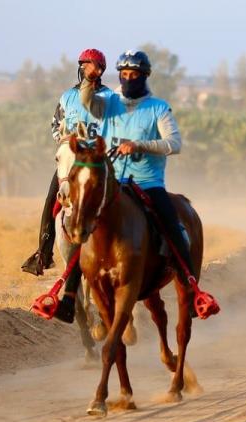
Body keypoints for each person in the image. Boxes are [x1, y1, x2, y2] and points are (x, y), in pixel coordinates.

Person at [81, 49, 201, 314]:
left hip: (148, 182)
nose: (127, 79)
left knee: (174, 226)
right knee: (80, 218)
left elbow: (175, 143)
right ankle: (67, 290)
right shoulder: (109, 102)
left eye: (133, 74)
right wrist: (89, 81)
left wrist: (139, 145)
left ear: (144, 76)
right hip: (112, 181)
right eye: (123, 74)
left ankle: (192, 287)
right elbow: (87, 103)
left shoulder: (158, 108)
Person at [21, 48, 113, 278]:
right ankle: (43, 254)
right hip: (71, 158)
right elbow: (55, 125)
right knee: (51, 201)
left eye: (96, 66)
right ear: (81, 68)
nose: (90, 70)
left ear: (101, 71)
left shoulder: (110, 98)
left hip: (96, 159)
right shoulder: (67, 97)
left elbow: (115, 126)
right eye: (86, 66)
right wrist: (64, 140)